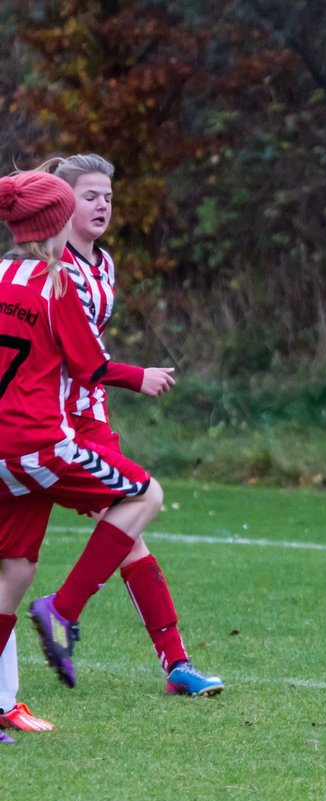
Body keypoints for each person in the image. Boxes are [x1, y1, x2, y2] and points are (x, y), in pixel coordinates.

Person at [19, 154, 223, 698]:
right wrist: (139, 376)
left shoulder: (101, 263)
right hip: (55, 423)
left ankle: (174, 664)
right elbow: (78, 358)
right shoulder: (50, 265)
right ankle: (64, 613)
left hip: (90, 419)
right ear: (61, 205)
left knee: (129, 531)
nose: (102, 204)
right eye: (89, 196)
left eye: (107, 196)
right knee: (134, 517)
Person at [0, 170, 165, 742]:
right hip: (39, 444)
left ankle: (2, 703)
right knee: (145, 495)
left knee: (14, 569)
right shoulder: (57, 283)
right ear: (55, 221)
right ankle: (63, 610)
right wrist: (139, 376)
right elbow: (89, 365)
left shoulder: (0, 274)